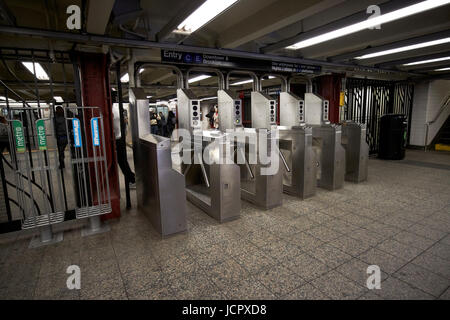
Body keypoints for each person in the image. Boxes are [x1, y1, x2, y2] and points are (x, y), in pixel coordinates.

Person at [112, 104, 136, 189]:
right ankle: (132, 178)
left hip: (118, 139)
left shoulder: (114, 109)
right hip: (116, 138)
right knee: (122, 161)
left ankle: (132, 180)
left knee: (122, 161)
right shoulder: (114, 108)